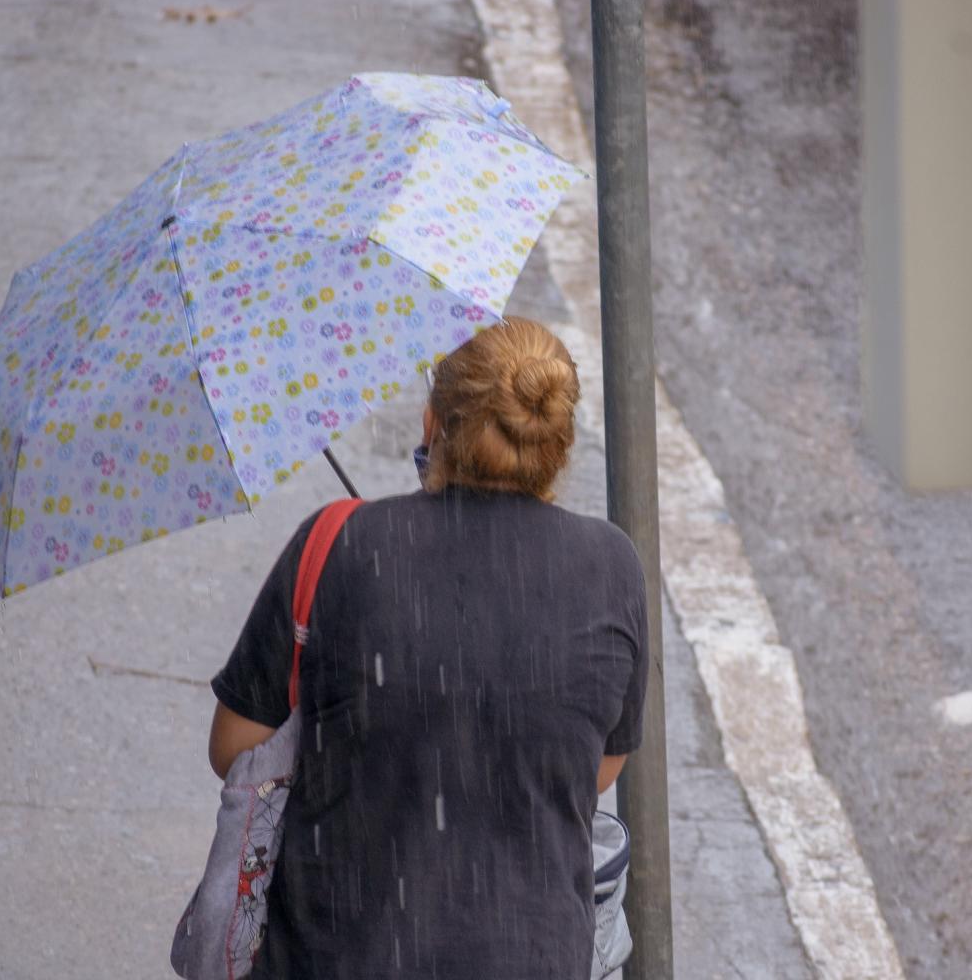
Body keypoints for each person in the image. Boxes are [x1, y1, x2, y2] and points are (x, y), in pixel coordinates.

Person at [208, 316, 650, 980]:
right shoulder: (611, 566)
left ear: (431, 423)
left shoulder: (341, 545)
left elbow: (234, 747)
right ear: (556, 444)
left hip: (338, 953)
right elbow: (598, 767)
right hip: (531, 956)